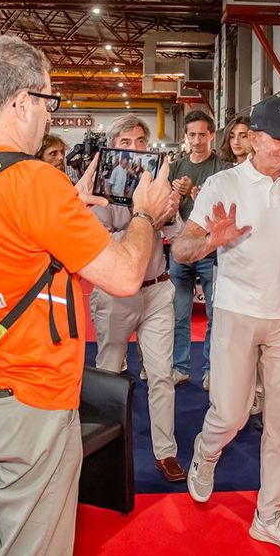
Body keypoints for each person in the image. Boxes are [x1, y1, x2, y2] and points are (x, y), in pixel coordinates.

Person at [0, 34, 172, 555]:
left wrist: (68, 203)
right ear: (23, 102)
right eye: (48, 100)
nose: (50, 114)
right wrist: (145, 214)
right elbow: (124, 276)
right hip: (27, 395)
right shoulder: (32, 181)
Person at [177, 95, 280, 556]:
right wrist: (210, 241)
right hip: (237, 313)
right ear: (255, 139)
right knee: (231, 414)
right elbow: (181, 250)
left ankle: (270, 516)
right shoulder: (222, 184)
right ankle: (206, 451)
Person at [90, 114, 185, 482]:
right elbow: (99, 243)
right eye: (126, 142)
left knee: (161, 374)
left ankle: (166, 451)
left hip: (157, 288)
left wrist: (168, 214)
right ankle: (101, 448)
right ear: (113, 146)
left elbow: (176, 232)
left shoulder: (158, 183)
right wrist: (145, 220)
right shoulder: (100, 187)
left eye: (140, 142)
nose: (135, 149)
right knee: (109, 371)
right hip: (116, 292)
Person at [169, 109, 225, 387]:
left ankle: (212, 369)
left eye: (202, 135)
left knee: (215, 314)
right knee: (179, 314)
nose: (197, 140)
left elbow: (229, 209)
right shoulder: (176, 168)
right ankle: (179, 366)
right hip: (181, 250)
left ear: (211, 135)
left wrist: (205, 199)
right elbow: (167, 210)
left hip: (210, 250)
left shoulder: (222, 169)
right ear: (186, 136)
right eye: (192, 135)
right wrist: (176, 196)